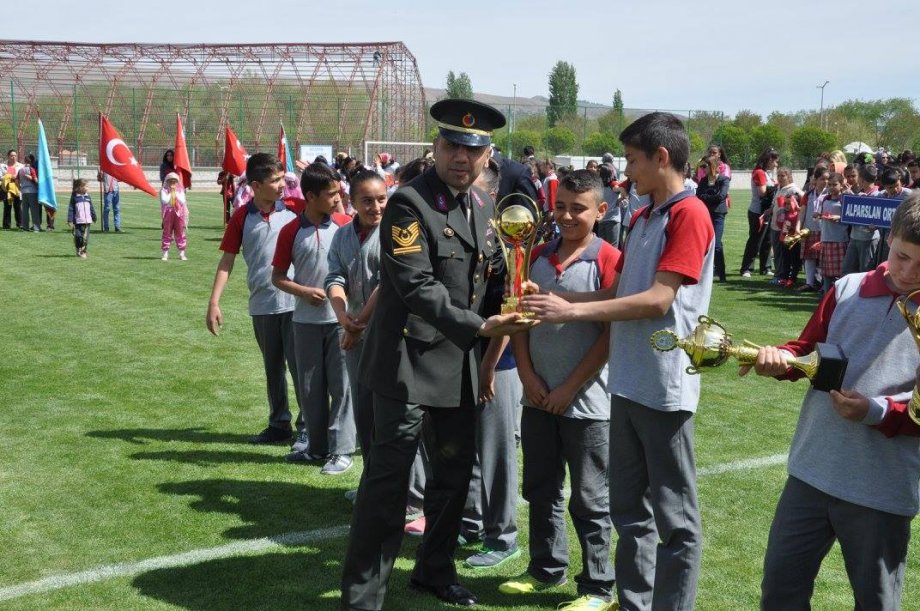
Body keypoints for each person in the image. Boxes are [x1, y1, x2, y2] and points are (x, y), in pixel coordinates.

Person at [340, 98, 531, 610]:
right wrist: (482, 326)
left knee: (452, 480)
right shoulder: (408, 202)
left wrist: (517, 296)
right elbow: (416, 284)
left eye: (473, 149)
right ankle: (363, 597)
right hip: (406, 366)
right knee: (388, 486)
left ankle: (434, 571)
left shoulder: (486, 206)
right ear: (436, 147)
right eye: (452, 146)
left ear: (487, 155)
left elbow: (489, 279)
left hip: (459, 368)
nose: (461, 157)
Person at [522, 111, 714, 611]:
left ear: (661, 157)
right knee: (629, 512)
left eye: (632, 159)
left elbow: (657, 300)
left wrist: (571, 309)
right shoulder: (646, 215)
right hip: (626, 384)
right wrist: (558, 299)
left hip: (663, 388)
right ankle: (633, 602)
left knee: (675, 520)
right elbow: (620, 292)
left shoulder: (689, 213)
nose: (626, 170)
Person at [742, 193, 920, 610]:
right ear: (888, 238)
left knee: (876, 602)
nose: (909, 271)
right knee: (780, 592)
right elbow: (808, 352)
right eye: (902, 256)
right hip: (812, 471)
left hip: (882, 487)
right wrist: (779, 360)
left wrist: (873, 411)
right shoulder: (847, 289)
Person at [501, 169, 620, 611]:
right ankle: (545, 568)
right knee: (540, 488)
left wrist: (570, 387)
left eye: (579, 209)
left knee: (590, 498)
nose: (568, 216)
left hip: (587, 404)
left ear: (600, 211)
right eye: (561, 207)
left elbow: (610, 335)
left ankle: (597, 587)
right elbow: (518, 318)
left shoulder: (609, 259)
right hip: (537, 397)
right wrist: (528, 375)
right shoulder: (534, 254)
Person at [206, 153, 301, 445]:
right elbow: (227, 261)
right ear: (256, 186)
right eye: (275, 180)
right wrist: (214, 303)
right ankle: (279, 424)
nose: (282, 185)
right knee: (273, 368)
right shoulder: (241, 218)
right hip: (263, 305)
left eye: (283, 179)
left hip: (297, 304)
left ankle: (308, 426)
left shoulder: (297, 209)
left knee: (301, 369)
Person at [272, 162, 355, 474]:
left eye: (338, 192)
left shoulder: (346, 226)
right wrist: (304, 291)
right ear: (310, 196)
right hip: (305, 323)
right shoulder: (291, 231)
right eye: (331, 194)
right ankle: (317, 449)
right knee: (310, 390)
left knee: (343, 388)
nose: (338, 198)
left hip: (340, 323)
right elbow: (278, 277)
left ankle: (343, 451)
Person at [460, 158, 522, 569]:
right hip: (464, 355)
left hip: (497, 361)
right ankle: (471, 522)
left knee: (497, 452)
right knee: (466, 445)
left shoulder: (509, 242)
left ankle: (502, 537)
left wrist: (488, 365)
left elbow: (512, 310)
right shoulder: (462, 230)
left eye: (475, 189)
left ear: (493, 195)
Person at [324, 169, 387, 493]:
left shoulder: (395, 234)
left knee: (389, 417)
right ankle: (372, 484)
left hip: (388, 339)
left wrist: (357, 324)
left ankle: (404, 491)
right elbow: (334, 277)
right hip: (355, 336)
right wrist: (342, 316)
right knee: (363, 413)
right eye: (368, 201)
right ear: (351, 201)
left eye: (381, 199)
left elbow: (388, 283)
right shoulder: (343, 236)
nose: (376, 207)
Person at [740, 148, 779, 278]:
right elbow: (762, 192)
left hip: (766, 211)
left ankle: (766, 267)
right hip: (758, 212)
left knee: (767, 240)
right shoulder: (759, 172)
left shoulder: (766, 173)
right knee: (755, 240)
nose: (776, 165)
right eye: (775, 161)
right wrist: (776, 187)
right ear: (769, 160)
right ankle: (747, 268)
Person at [695, 153, 730, 282]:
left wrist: (707, 196)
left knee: (716, 244)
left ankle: (721, 275)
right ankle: (702, 274)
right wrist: (711, 196)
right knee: (704, 244)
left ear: (712, 166)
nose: (703, 169)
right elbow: (699, 195)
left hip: (718, 214)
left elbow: (721, 196)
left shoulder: (723, 180)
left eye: (705, 166)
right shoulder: (704, 180)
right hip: (705, 214)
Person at [815, 173, 848, 293]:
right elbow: (822, 214)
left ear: (841, 185)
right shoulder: (825, 199)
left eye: (835, 184)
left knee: (840, 271)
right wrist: (818, 215)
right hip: (826, 238)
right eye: (829, 185)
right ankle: (826, 293)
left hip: (839, 239)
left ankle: (840, 294)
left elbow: (849, 217)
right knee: (826, 271)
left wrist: (839, 218)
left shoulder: (844, 199)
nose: (832, 187)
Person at [160, 172, 188, 261]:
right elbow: (165, 200)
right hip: (168, 212)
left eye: (174, 181)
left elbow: (182, 201)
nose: (172, 183)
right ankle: (165, 253)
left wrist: (175, 191)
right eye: (170, 181)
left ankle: (182, 253)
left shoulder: (180, 190)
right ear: (167, 181)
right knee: (167, 232)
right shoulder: (164, 190)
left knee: (180, 232)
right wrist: (171, 192)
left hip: (179, 213)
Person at [66, 179, 96, 258]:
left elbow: (91, 207)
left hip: (87, 222)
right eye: (86, 186)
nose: (88, 188)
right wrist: (70, 220)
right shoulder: (75, 197)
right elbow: (71, 209)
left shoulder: (88, 197)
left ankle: (83, 252)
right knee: (78, 237)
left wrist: (94, 217)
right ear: (80, 187)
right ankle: (78, 248)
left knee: (85, 238)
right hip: (78, 221)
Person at [18, 154, 40, 232]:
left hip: (23, 192)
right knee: (34, 210)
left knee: (25, 211)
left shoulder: (20, 170)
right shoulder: (31, 169)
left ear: (25, 161)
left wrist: (20, 187)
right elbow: (35, 180)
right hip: (32, 191)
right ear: (32, 162)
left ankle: (25, 227)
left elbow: (17, 180)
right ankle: (36, 227)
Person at [1, 150, 22, 229]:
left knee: (18, 207)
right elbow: (0, 176)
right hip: (6, 189)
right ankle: (6, 225)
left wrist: (16, 178)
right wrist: (8, 177)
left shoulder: (21, 166)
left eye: (15, 155)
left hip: (17, 189)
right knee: (7, 207)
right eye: (12, 155)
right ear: (8, 156)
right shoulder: (3, 166)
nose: (14, 157)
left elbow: (23, 177)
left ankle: (20, 224)